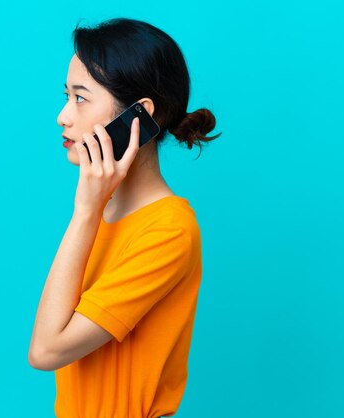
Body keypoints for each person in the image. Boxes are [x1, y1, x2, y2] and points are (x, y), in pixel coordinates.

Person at [28, 17, 221, 418]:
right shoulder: (104, 212)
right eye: (66, 95)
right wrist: (91, 211)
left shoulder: (168, 230)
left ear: (138, 115)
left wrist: (85, 212)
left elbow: (46, 351)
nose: (64, 116)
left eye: (81, 98)